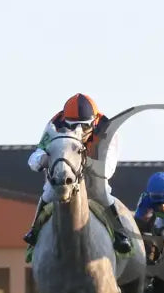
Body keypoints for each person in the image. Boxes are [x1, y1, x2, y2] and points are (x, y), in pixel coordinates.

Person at [23, 93, 132, 253]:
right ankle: (34, 231)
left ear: (94, 122)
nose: (79, 131)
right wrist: (41, 160)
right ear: (65, 120)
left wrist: (81, 161)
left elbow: (107, 170)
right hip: (64, 174)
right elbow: (36, 155)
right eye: (72, 126)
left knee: (103, 193)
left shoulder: (108, 130)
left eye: (84, 126)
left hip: (94, 176)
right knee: (48, 192)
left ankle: (120, 234)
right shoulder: (54, 125)